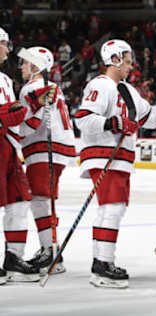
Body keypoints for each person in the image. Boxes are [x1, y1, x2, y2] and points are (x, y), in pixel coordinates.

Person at [74, 39, 156, 289]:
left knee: (113, 209)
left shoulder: (126, 89)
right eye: (126, 61)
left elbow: (148, 117)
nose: (130, 65)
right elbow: (83, 118)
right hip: (104, 156)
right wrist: (111, 123)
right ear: (113, 59)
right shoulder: (100, 84)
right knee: (111, 209)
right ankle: (103, 264)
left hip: (120, 158)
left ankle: (101, 262)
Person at [16, 46, 76, 274]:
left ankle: (48, 251)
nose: (21, 66)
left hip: (43, 147)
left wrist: (12, 131)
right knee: (43, 199)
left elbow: (30, 124)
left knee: (40, 200)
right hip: (56, 148)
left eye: (25, 62)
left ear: (35, 65)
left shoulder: (31, 87)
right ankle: (51, 250)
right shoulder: (50, 87)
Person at [0, 27, 40, 283]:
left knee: (19, 201)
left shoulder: (3, 78)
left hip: (8, 147)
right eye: (5, 44)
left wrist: (31, 106)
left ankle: (13, 258)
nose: (8, 49)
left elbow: (12, 112)